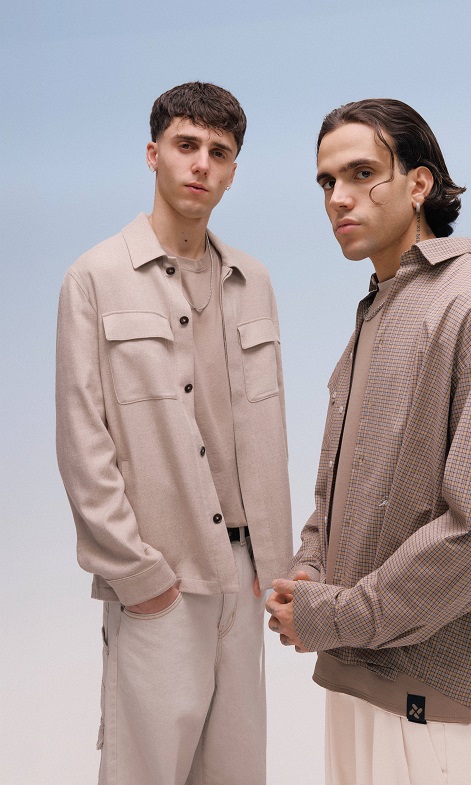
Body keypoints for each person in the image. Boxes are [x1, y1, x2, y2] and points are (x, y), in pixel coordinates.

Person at [266, 99, 471, 785]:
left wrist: (338, 615)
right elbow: (343, 488)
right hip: (356, 673)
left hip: (427, 700)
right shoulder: (381, 310)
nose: (338, 197)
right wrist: (312, 571)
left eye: (362, 173)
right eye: (326, 181)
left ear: (419, 184)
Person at [56, 81, 292, 785]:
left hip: (246, 579)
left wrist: (273, 563)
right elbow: (82, 441)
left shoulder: (254, 280)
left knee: (237, 772)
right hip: (159, 579)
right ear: (153, 153)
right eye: (186, 145)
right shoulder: (94, 278)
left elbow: (267, 430)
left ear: (234, 171)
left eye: (219, 152)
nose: (201, 164)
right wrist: (138, 576)